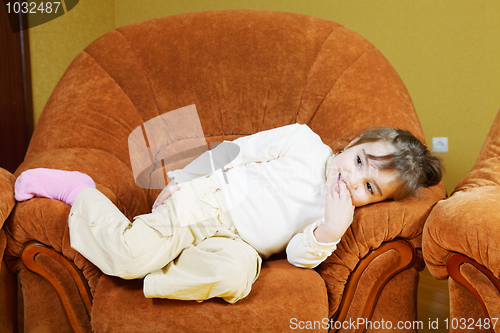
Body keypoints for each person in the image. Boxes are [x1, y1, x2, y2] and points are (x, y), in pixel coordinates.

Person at [14, 123, 442, 304]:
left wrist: (330, 230)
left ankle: (148, 265)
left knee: (236, 279)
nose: (354, 179)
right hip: (207, 203)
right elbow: (236, 151)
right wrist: (182, 179)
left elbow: (295, 255)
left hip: (242, 247)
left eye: (369, 188)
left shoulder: (337, 211)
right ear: (352, 143)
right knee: (128, 255)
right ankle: (81, 193)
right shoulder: (303, 142)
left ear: (375, 201)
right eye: (361, 161)